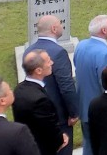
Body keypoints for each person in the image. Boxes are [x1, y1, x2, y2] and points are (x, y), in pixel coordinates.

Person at [24, 15, 79, 155]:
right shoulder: (58, 52)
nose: (62, 26)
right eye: (60, 23)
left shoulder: (29, 51)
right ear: (54, 28)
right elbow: (66, 86)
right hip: (58, 118)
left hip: (36, 117)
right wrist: (73, 113)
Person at [74, 14, 107, 155]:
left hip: (83, 106)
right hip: (100, 111)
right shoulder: (105, 54)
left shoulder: (80, 46)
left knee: (89, 145)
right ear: (104, 30)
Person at [14, 49, 69, 155]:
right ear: (38, 70)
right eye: (48, 61)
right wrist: (60, 140)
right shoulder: (40, 100)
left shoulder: (19, 89)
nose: (52, 63)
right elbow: (49, 127)